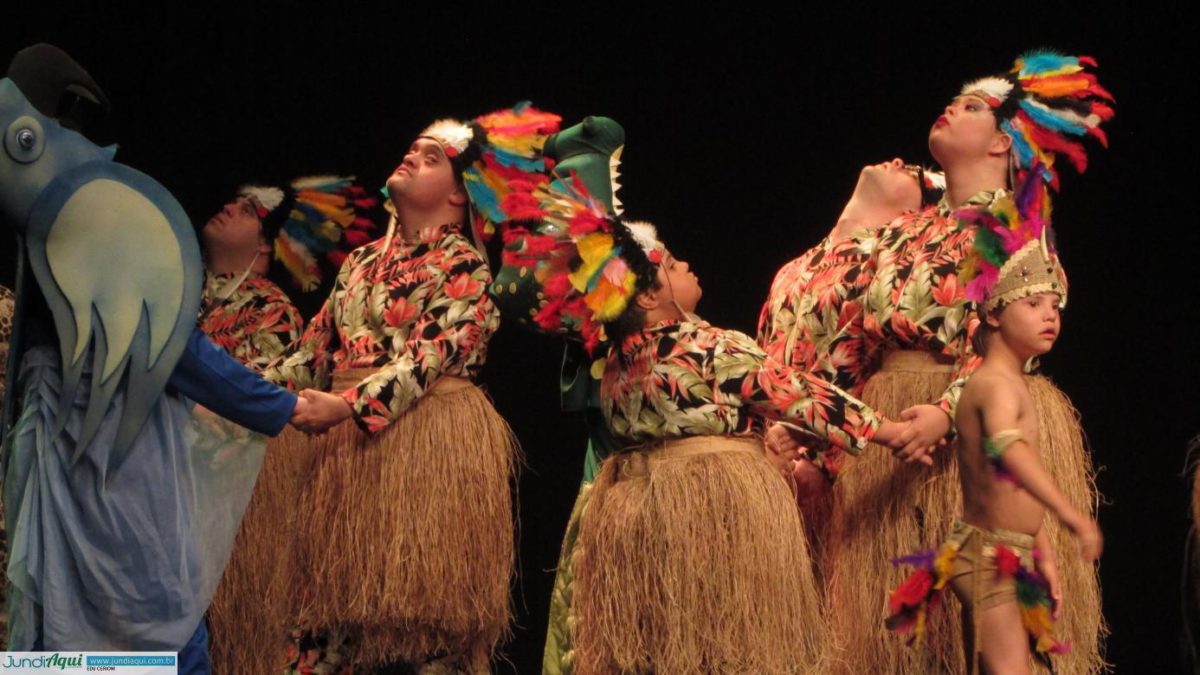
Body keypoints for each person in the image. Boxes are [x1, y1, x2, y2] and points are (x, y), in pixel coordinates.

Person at [499, 174, 907, 674]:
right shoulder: (707, 346)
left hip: (636, 516)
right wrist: (889, 431)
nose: (685, 264)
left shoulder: (616, 364)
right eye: (670, 264)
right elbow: (800, 395)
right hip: (714, 517)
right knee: (728, 648)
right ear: (646, 297)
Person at [0, 45, 303, 673]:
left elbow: (167, 344)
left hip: (97, 448)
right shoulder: (74, 214)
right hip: (101, 456)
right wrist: (284, 407)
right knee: (136, 629)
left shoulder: (79, 211)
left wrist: (281, 403)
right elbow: (176, 350)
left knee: (82, 629)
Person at [824, 51, 1113, 674]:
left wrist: (948, 413)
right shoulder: (903, 233)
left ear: (1004, 146)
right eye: (956, 102)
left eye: (973, 106)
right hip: (892, 438)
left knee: (986, 640)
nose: (952, 108)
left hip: (977, 436)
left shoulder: (1016, 224)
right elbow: (854, 333)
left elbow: (1023, 343)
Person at [266, 104, 559, 673]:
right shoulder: (358, 263)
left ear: (457, 196)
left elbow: (428, 359)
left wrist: (349, 406)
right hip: (346, 465)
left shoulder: (466, 267)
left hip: (425, 458)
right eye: (412, 149)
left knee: (428, 634)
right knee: (319, 631)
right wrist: (227, 392)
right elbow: (311, 355)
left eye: (431, 157)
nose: (411, 157)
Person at [887, 184, 1102, 673]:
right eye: (1032, 304)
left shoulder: (1005, 381)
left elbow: (1005, 490)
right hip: (988, 553)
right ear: (992, 313)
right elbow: (1012, 456)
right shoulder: (993, 386)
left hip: (1005, 546)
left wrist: (1041, 548)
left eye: (1054, 306)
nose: (1049, 315)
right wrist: (1072, 516)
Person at [200, 177, 376, 675]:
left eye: (245, 210)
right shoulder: (184, 293)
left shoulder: (270, 309)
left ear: (263, 245)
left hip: (235, 496)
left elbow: (264, 407)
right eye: (231, 202)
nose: (228, 209)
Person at [757, 159, 944, 550]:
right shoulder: (792, 269)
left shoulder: (895, 261)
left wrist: (823, 465)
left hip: (841, 483)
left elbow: (878, 369)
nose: (899, 162)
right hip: (773, 474)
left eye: (913, 174)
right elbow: (764, 367)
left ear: (918, 209)